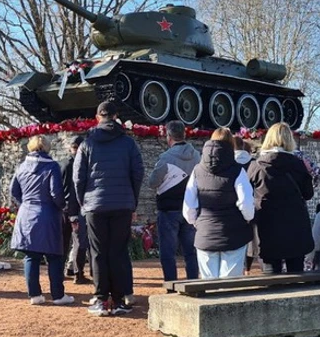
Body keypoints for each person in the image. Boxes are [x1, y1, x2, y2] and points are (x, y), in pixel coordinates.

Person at [74, 101, 144, 316]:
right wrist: (132, 200)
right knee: (119, 252)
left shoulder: (87, 143)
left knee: (98, 252)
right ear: (116, 117)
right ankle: (120, 300)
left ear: (98, 117)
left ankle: (102, 300)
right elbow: (137, 173)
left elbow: (78, 177)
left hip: (95, 205)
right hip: (122, 203)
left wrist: (83, 202)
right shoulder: (128, 143)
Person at [10, 135, 74, 305]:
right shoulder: (52, 166)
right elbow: (56, 193)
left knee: (31, 257)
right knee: (54, 256)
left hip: (26, 214)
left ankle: (35, 295)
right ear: (47, 148)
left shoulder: (21, 167)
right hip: (48, 214)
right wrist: (62, 206)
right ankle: (58, 295)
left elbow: (14, 191)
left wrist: (25, 203)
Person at [182, 128, 255, 278]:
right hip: (233, 233)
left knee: (208, 284)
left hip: (205, 233)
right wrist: (247, 219)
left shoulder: (197, 170)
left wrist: (196, 222)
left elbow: (189, 205)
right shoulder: (237, 171)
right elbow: (246, 203)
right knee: (230, 287)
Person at [247, 122, 314, 274]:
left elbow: (247, 195)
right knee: (296, 276)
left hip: (267, 228)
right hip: (295, 228)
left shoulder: (256, 166)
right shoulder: (298, 164)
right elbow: (308, 194)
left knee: (271, 279)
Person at [148, 120, 200, 283]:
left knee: (168, 251)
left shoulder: (165, 157)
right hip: (190, 208)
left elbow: (152, 183)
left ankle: (171, 284)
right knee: (191, 251)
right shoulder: (197, 156)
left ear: (169, 136)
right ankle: (193, 283)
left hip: (169, 209)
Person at [61, 136, 91, 284]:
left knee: (64, 242)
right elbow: (75, 190)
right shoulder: (79, 165)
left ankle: (64, 270)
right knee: (80, 242)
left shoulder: (63, 164)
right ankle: (78, 274)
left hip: (63, 208)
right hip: (75, 207)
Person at [233, 136, 260, 275]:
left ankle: (242, 269)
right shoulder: (255, 163)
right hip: (254, 204)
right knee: (253, 240)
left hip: (234, 206)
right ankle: (248, 268)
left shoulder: (230, 164)